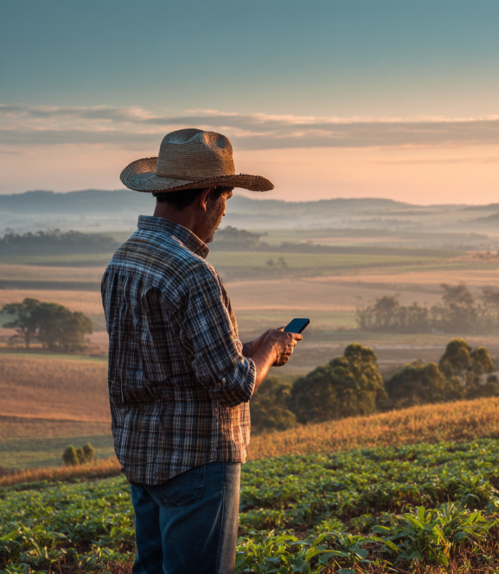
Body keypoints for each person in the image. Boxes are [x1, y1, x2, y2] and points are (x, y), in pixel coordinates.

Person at [101, 128, 302, 574]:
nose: (222, 217)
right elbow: (234, 384)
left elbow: (165, 354)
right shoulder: (193, 273)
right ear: (208, 198)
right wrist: (270, 350)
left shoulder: (124, 258)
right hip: (197, 462)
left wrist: (244, 347)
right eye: (225, 204)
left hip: (142, 454)